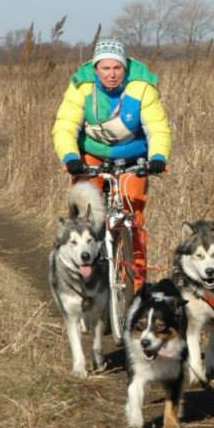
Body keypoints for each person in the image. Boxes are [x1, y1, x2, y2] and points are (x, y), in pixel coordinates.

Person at [52, 38, 171, 291]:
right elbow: (65, 126)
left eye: (117, 68)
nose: (112, 74)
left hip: (132, 158)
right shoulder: (81, 87)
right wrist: (71, 157)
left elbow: (157, 127)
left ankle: (135, 291)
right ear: (95, 69)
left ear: (125, 68)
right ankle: (83, 281)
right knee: (86, 217)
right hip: (90, 156)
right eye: (105, 68)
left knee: (133, 220)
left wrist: (158, 157)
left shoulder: (141, 87)